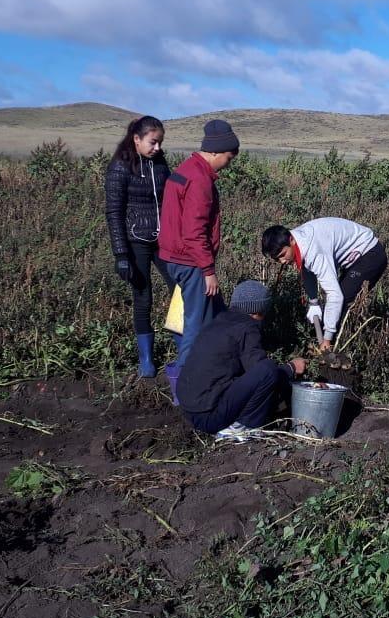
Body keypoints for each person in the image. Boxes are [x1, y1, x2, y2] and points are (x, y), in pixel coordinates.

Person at [177, 280, 307, 442]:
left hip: (189, 411)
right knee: (267, 369)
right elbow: (263, 372)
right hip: (209, 417)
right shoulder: (247, 328)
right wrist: (291, 368)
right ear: (258, 311)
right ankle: (241, 427)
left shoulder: (217, 322)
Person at [158, 119, 239, 376]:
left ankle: (221, 369)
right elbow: (194, 232)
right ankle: (185, 383)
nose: (228, 164)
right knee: (195, 325)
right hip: (191, 261)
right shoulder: (200, 179)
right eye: (228, 158)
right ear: (216, 151)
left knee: (217, 315)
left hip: (174, 257)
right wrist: (208, 270)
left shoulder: (185, 169)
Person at [104, 116, 173, 378]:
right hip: (136, 241)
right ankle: (146, 360)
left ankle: (183, 348)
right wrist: (121, 254)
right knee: (143, 298)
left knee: (179, 290)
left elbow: (170, 197)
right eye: (153, 142)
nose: (157, 147)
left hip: (163, 240)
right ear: (136, 139)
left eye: (160, 142)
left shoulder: (160, 163)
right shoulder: (120, 167)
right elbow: (114, 212)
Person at [261, 218, 388, 352]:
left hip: (370, 254)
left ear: (291, 240)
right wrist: (313, 301)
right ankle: (331, 344)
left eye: (283, 255)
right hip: (354, 258)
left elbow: (335, 295)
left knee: (343, 300)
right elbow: (307, 270)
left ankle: (337, 350)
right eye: (277, 259)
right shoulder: (297, 241)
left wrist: (327, 338)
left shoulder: (313, 249)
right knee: (339, 303)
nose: (282, 261)